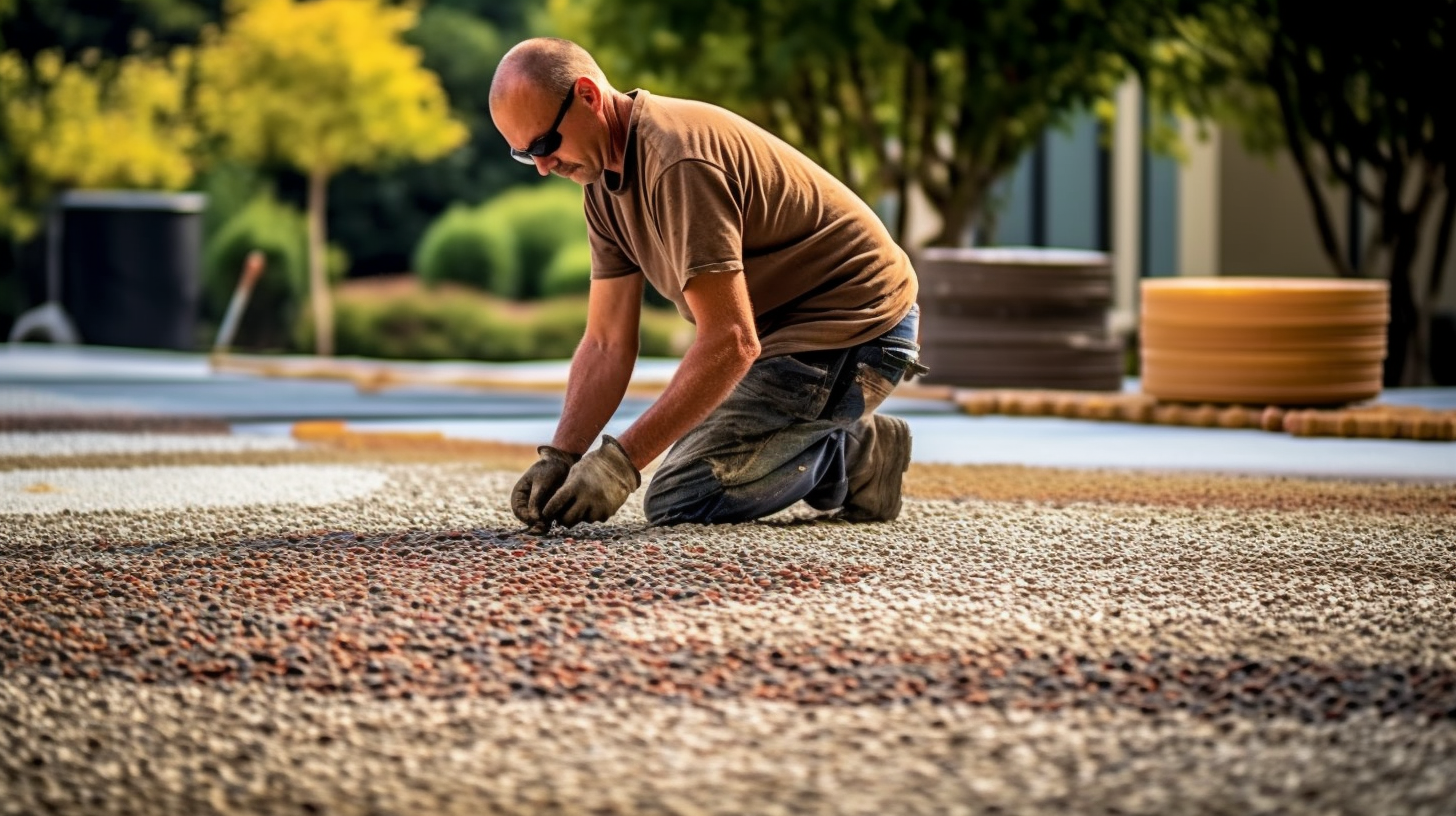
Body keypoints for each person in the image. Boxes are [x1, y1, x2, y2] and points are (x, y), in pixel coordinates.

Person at [489, 37, 925, 531]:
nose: (544, 167)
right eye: (525, 155)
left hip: (855, 330)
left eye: (546, 145)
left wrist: (618, 464)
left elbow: (731, 341)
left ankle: (855, 454)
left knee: (686, 495)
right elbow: (607, 343)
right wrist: (562, 454)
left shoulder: (678, 161)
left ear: (589, 97)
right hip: (781, 340)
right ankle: (831, 434)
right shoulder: (602, 185)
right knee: (694, 468)